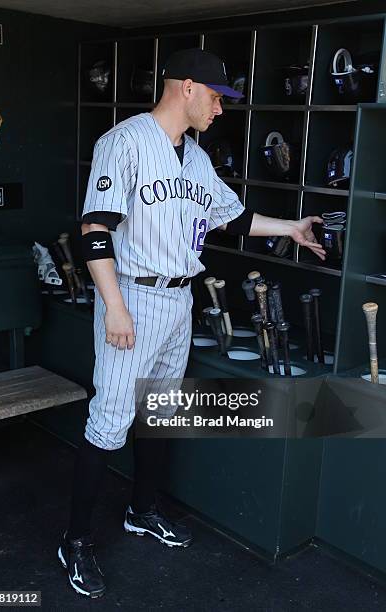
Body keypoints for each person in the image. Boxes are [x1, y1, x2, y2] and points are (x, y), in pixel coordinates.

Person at [57, 48, 326, 598]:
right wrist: (113, 306)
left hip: (179, 302)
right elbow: (94, 229)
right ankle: (75, 541)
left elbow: (236, 218)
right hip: (133, 295)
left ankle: (142, 510)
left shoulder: (197, 158)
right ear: (185, 87)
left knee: (158, 415)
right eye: (215, 97)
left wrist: (291, 225)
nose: (220, 108)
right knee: (108, 421)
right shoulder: (125, 142)